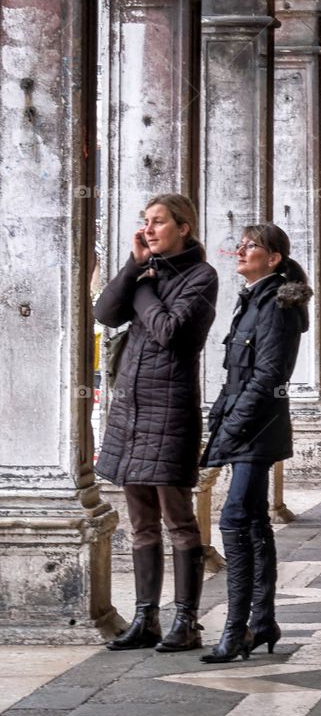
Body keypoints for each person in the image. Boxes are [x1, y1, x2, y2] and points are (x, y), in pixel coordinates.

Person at [95, 194, 219, 652]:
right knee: (141, 521)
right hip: (131, 412)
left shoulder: (201, 277)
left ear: (183, 227)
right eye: (145, 222)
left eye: (158, 222)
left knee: (178, 519)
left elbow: (168, 332)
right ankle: (146, 618)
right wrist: (133, 265)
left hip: (169, 410)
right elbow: (104, 313)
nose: (149, 228)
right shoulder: (146, 270)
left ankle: (185, 621)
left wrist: (144, 287)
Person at [199, 223, 311, 662]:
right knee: (252, 521)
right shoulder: (253, 301)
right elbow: (235, 375)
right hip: (246, 427)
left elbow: (268, 377)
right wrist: (217, 419)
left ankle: (235, 629)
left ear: (273, 258)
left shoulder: (277, 306)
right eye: (241, 245)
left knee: (233, 519)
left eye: (251, 247)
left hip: (257, 430)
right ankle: (262, 621)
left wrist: (231, 428)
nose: (240, 251)